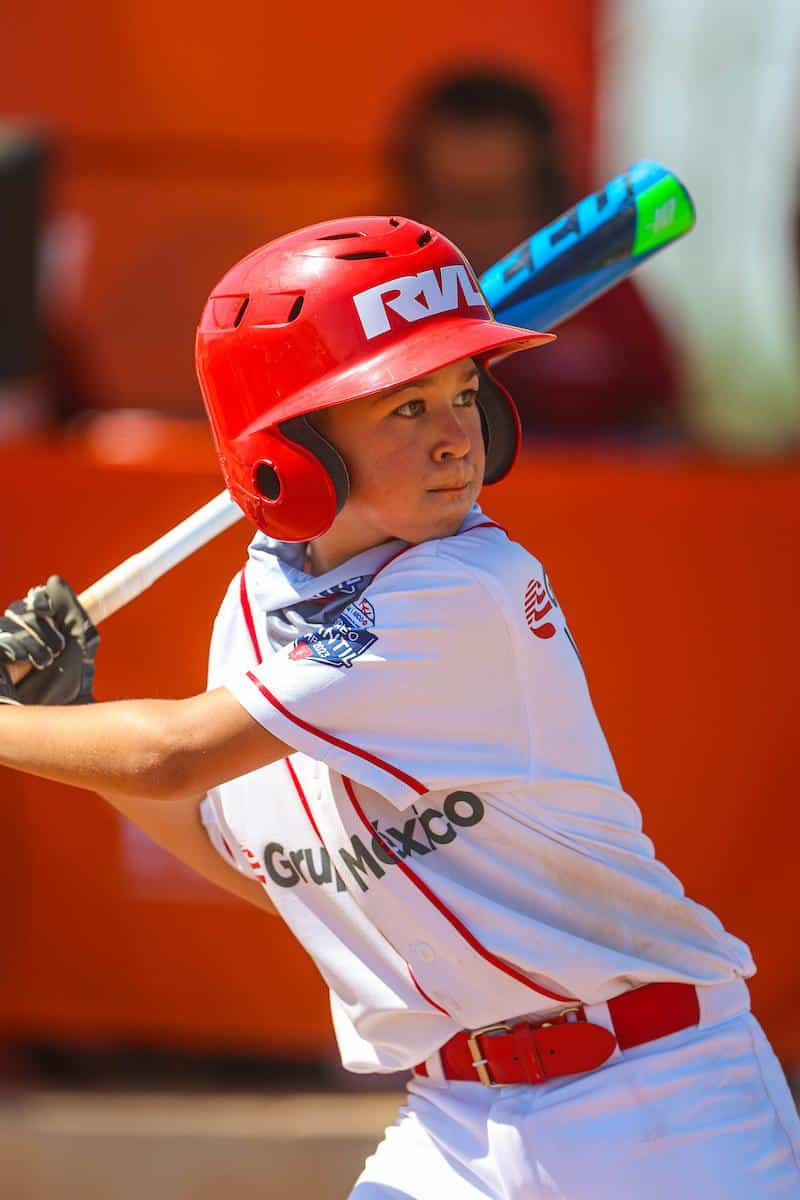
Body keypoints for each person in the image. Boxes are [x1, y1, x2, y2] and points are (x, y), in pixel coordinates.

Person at [0, 217, 798, 1199]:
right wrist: (76, 714)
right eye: (403, 407)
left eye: (463, 393)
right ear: (288, 451)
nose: (455, 435)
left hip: (654, 1102)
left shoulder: (467, 586)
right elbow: (297, 879)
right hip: (454, 1117)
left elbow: (169, 754)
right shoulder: (252, 618)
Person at [392, 69, 682, 440]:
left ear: (545, 206)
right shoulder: (363, 289)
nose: (467, 233)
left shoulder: (598, 283)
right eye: (447, 203)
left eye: (490, 206)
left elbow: (669, 431)